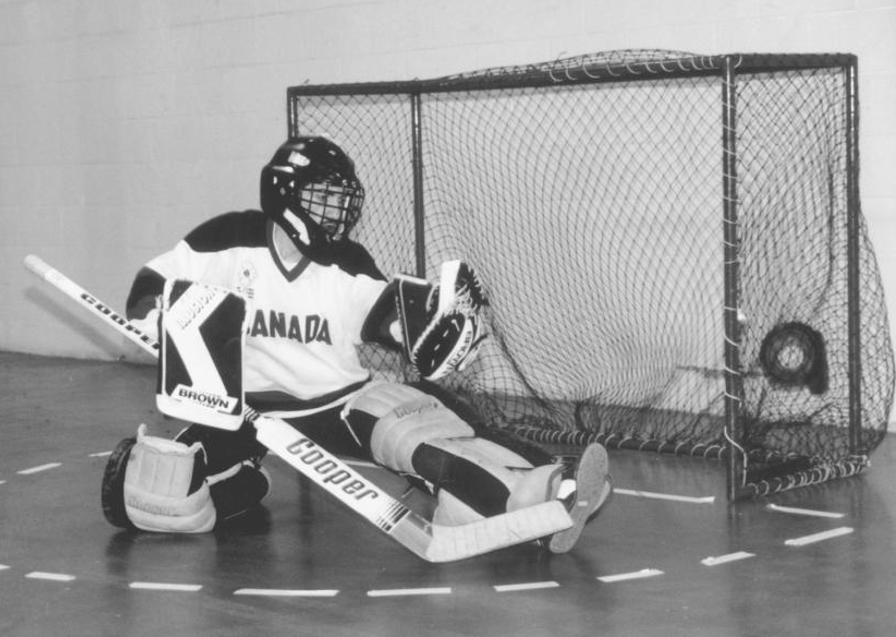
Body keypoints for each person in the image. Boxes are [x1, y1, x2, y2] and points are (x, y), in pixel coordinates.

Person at [101, 136, 611, 554]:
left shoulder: (346, 263)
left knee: (413, 433)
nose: (337, 211)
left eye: (340, 199)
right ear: (285, 192)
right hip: (244, 412)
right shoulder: (225, 240)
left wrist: (434, 326)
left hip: (334, 404)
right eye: (323, 196)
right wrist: (153, 316)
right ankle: (239, 485)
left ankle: (546, 489)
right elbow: (154, 282)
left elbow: (387, 311)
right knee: (153, 493)